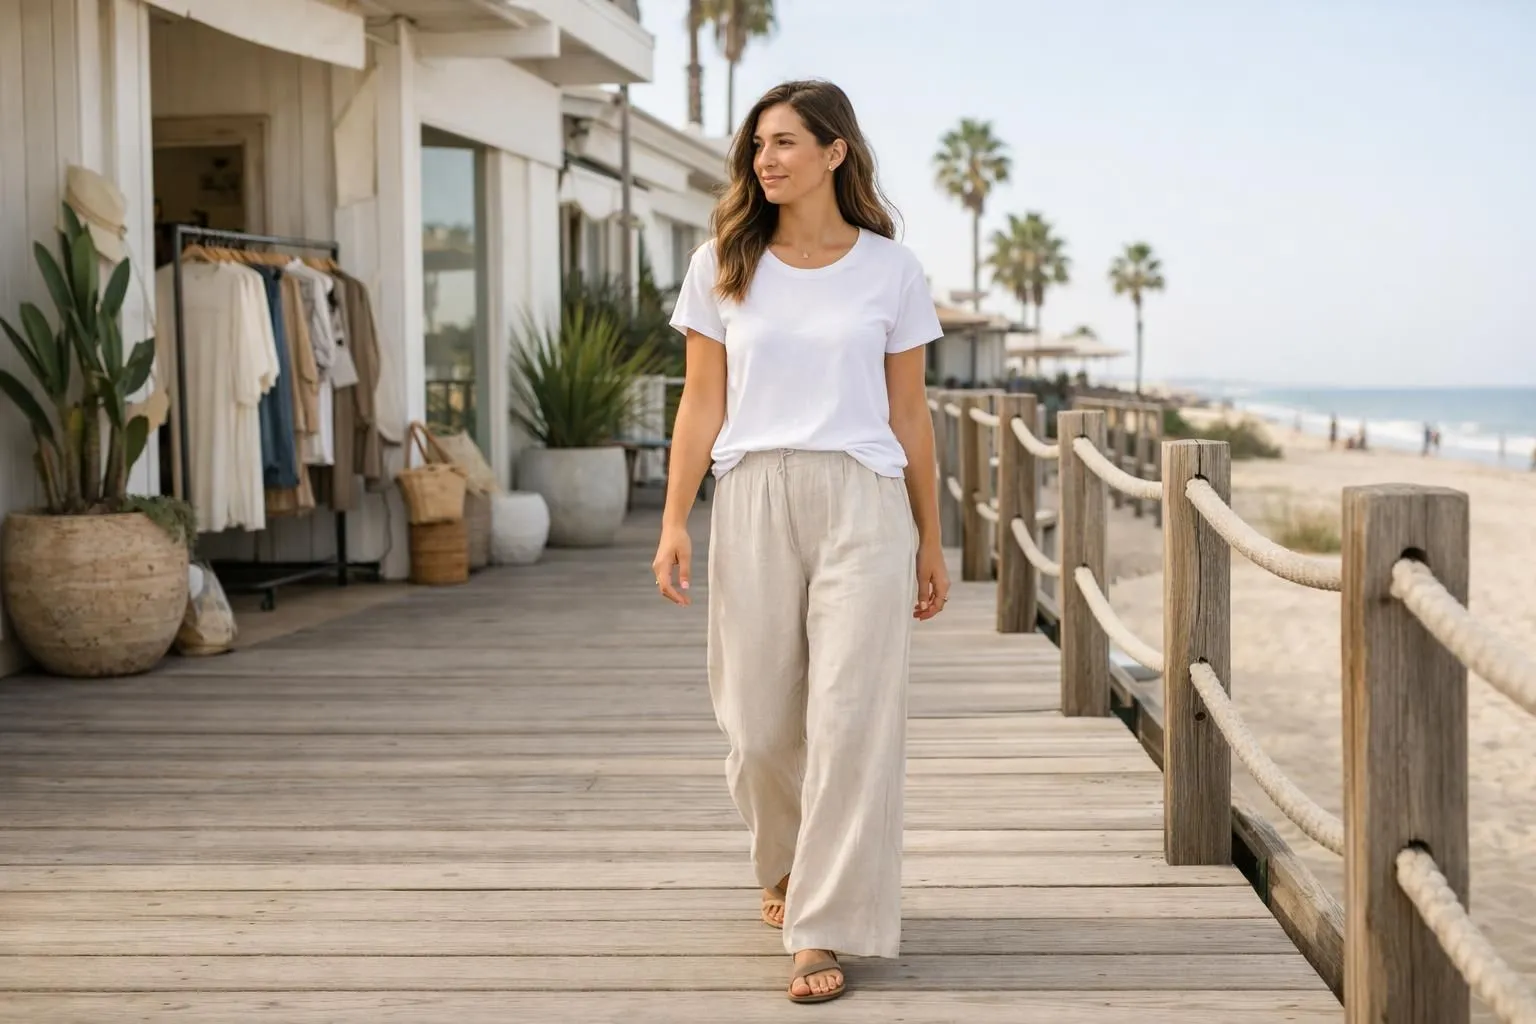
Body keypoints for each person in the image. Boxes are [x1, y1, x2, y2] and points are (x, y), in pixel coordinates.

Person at [651, 79, 949, 1005]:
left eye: (784, 143)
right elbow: (701, 403)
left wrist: (931, 540)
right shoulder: (723, 263)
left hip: (864, 500)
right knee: (756, 725)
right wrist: (672, 520)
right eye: (757, 147)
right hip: (752, 496)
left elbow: (910, 414)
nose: (764, 161)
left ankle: (820, 926)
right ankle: (781, 865)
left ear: (835, 152)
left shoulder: (891, 271)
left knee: (852, 718)